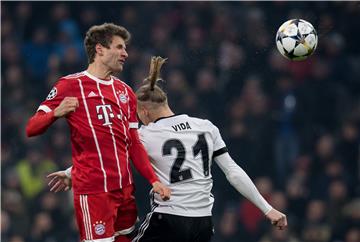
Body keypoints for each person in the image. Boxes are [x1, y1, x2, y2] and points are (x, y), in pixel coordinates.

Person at [48, 56, 288, 242]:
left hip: (169, 218)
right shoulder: (206, 126)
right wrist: (268, 209)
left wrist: (70, 173)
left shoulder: (145, 134)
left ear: (143, 111)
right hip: (203, 223)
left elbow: (106, 157)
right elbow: (233, 172)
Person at [26, 23, 171, 242]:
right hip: (94, 192)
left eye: (126, 48)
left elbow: (133, 143)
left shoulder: (125, 92)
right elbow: (31, 128)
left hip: (124, 189)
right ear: (100, 49)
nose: (125, 53)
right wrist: (56, 112)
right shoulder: (70, 85)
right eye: (119, 47)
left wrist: (153, 180)